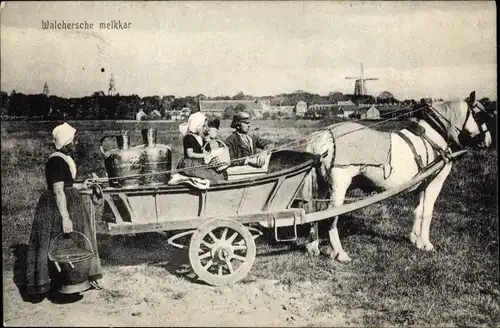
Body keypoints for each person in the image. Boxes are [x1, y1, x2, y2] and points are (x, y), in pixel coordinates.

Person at [25, 123, 103, 301]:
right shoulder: (57, 161)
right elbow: (59, 190)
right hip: (58, 207)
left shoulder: (63, 159)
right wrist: (65, 217)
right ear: (65, 142)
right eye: (72, 140)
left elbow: (66, 185)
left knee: (69, 242)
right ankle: (59, 281)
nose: (75, 142)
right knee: (58, 242)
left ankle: (73, 279)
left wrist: (82, 185)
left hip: (68, 202)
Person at [176, 112, 226, 181]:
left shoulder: (200, 137)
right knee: (212, 177)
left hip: (198, 163)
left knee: (219, 175)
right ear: (196, 126)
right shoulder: (189, 137)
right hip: (190, 164)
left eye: (205, 126)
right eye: (203, 126)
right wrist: (205, 155)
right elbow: (190, 154)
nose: (205, 128)